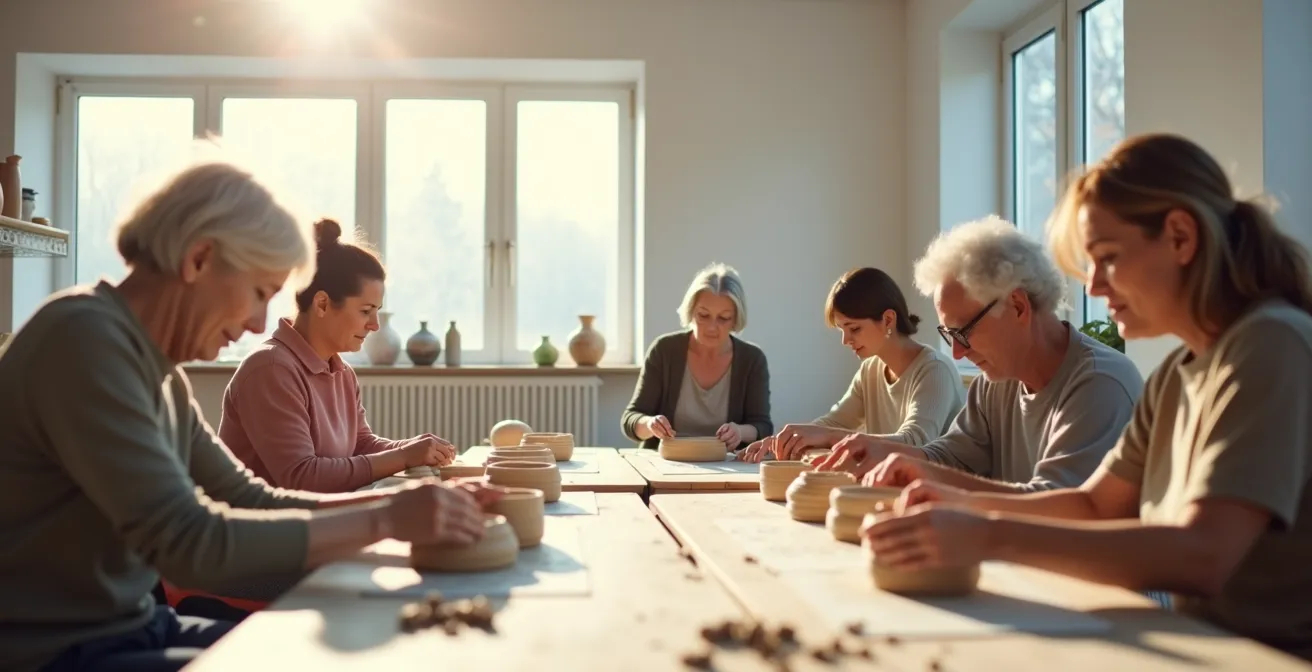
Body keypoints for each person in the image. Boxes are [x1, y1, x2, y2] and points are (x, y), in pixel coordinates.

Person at [0, 160, 500, 672]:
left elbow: (247, 497)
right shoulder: (84, 342)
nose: (259, 322)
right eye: (260, 292)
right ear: (199, 258)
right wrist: (386, 518)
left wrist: (409, 506)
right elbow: (190, 540)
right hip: (56, 651)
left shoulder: (161, 374)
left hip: (138, 624)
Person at [863, 133, 1312, 661]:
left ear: (1181, 237)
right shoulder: (1178, 373)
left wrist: (986, 534)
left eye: (1108, 258)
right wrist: (953, 500)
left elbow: (1204, 554)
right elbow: (1096, 505)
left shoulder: (1271, 342)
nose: (1094, 286)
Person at [816, 215, 1143, 493]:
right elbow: (953, 456)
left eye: (964, 331)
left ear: (1017, 306)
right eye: (949, 335)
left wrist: (929, 478)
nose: (957, 352)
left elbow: (1057, 506)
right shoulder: (997, 377)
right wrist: (887, 453)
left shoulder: (1100, 383)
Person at [219, 218, 456, 494]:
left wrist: (412, 448)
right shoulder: (270, 368)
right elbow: (302, 477)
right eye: (366, 311)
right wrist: (403, 457)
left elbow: (360, 444)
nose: (374, 325)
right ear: (322, 303)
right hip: (263, 531)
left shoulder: (341, 372)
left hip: (317, 522)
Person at [741, 267, 964, 462]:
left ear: (888, 320)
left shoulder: (935, 371)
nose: (845, 340)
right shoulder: (870, 370)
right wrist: (781, 441)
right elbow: (835, 422)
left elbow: (914, 442)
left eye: (854, 329)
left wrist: (827, 436)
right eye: (842, 330)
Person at [621, 262, 771, 451]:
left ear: (735, 319)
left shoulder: (752, 360)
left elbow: (763, 427)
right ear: (691, 311)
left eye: (723, 318)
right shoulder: (664, 350)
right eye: (703, 315)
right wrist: (650, 424)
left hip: (727, 465)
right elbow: (630, 418)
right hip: (664, 464)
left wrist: (740, 432)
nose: (711, 327)